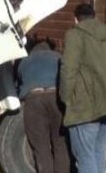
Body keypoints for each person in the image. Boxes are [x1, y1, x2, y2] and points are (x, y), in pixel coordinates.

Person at [59, 3, 106, 173]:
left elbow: (68, 69)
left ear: (76, 19)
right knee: (98, 152)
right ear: (94, 17)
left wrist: (65, 98)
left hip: (85, 108)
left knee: (85, 157)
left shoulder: (75, 35)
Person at [16, 40, 70, 173]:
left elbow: (18, 87)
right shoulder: (57, 57)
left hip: (34, 100)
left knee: (41, 148)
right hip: (56, 97)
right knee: (60, 145)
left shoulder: (24, 62)